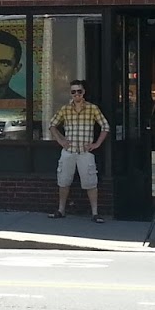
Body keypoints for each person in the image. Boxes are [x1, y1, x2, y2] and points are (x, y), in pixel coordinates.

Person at [48, 79, 109, 222]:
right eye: (73, 92)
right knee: (63, 181)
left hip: (85, 152)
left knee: (91, 183)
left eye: (79, 91)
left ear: (84, 92)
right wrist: (61, 140)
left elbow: (105, 126)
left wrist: (97, 143)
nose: (76, 94)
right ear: (70, 93)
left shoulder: (92, 108)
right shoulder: (65, 109)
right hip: (69, 152)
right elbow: (52, 125)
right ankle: (61, 210)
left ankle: (95, 213)